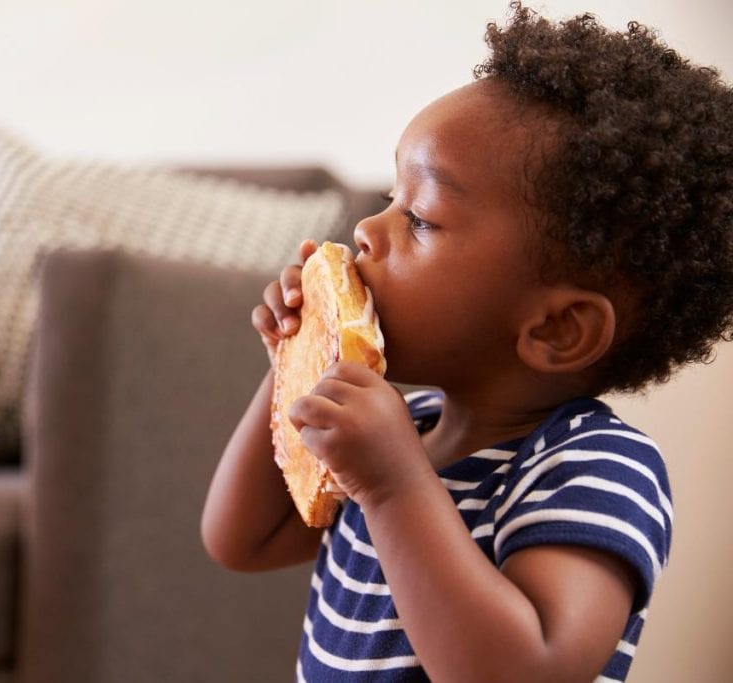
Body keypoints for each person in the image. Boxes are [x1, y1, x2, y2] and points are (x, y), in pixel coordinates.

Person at [200, 3, 733, 681]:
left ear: (555, 329)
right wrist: (294, 366)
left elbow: (527, 667)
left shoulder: (595, 467)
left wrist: (392, 487)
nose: (366, 229)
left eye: (419, 217)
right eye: (392, 195)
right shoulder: (403, 430)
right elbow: (241, 539)